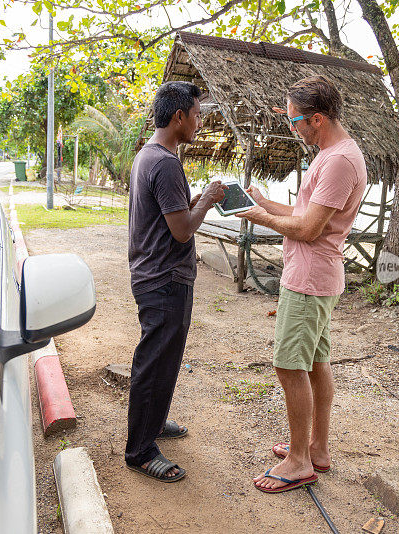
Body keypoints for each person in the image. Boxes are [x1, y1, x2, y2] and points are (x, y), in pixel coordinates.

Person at [236, 75, 367, 493]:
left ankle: (298, 462)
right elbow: (302, 210)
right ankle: (317, 448)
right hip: (315, 275)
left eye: (295, 123)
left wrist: (261, 220)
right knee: (314, 362)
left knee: (288, 364)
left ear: (317, 119)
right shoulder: (332, 156)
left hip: (309, 278)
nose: (292, 129)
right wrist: (260, 202)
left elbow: (308, 230)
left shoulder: (339, 161)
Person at [125, 81, 227, 482]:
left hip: (157, 274)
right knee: (155, 363)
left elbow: (171, 216)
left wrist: (197, 197)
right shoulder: (165, 162)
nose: (200, 123)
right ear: (179, 116)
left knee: (164, 359)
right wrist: (206, 200)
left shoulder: (149, 156)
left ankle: (154, 422)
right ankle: (141, 451)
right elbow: (182, 230)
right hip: (164, 278)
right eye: (198, 115)